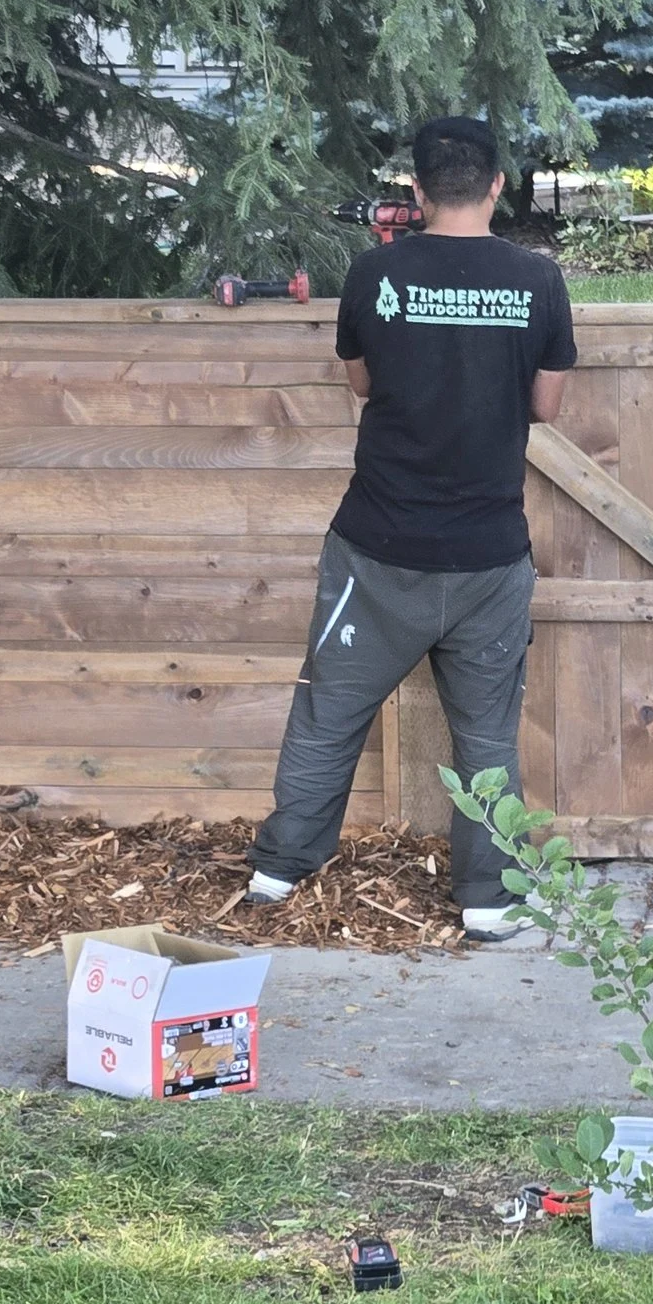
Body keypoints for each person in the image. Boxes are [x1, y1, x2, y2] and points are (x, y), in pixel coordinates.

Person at [243, 116, 575, 940]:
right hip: (489, 558)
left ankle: (275, 880)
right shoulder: (539, 282)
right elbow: (546, 405)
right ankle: (489, 904)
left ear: (418, 191)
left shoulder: (373, 275)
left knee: (327, 719)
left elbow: (360, 384)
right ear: (497, 185)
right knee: (488, 738)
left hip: (376, 553)